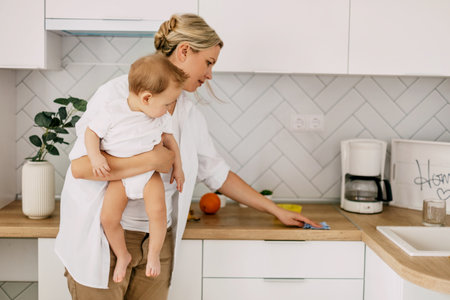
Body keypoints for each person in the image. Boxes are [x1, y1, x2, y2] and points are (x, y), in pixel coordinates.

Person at [55, 13, 321, 300]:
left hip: (158, 244)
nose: (209, 74)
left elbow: (217, 174)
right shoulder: (119, 95)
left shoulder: (187, 112)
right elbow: (82, 167)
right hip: (106, 240)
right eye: (208, 62)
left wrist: (275, 210)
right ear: (184, 51)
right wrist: (152, 161)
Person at [84, 54, 187, 283]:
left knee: (158, 214)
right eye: (167, 103)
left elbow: (170, 142)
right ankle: (123, 255)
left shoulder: (158, 118)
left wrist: (178, 169)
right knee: (108, 218)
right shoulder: (112, 111)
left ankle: (153, 255)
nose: (169, 108)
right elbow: (91, 133)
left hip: (149, 177)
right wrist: (95, 158)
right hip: (121, 179)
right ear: (147, 98)